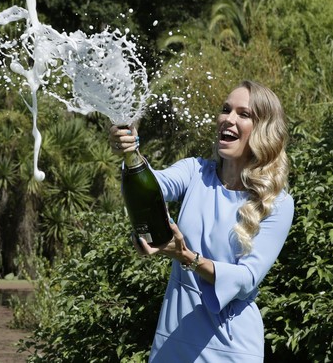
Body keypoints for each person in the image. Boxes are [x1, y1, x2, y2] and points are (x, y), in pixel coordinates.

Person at [109, 80, 294, 362]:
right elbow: (149, 189)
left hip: (231, 348)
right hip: (173, 340)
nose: (228, 119)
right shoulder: (194, 171)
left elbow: (246, 279)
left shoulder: (277, 203)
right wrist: (130, 152)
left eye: (243, 114)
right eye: (225, 110)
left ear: (263, 130)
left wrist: (186, 257)